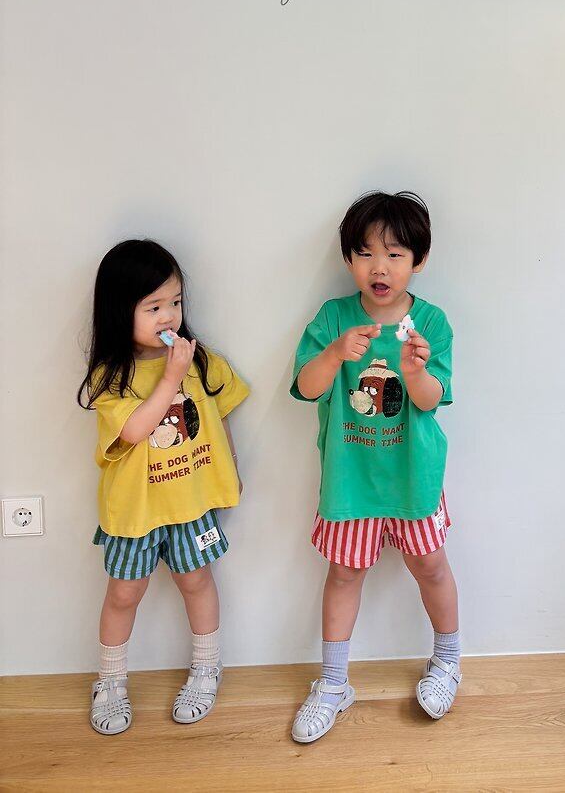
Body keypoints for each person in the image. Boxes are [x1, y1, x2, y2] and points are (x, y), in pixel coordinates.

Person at [289, 190, 460, 743]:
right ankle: (333, 683)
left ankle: (447, 661)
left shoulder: (431, 322)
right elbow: (306, 388)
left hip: (414, 479)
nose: (378, 268)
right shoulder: (333, 318)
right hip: (351, 481)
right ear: (348, 259)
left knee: (431, 566)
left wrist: (414, 373)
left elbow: (432, 400)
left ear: (419, 260)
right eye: (364, 253)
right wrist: (334, 353)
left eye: (394, 254)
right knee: (343, 574)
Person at [77, 239, 249, 735]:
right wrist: (172, 376)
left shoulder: (201, 361)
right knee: (123, 593)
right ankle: (110, 681)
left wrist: (231, 468)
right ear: (119, 311)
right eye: (153, 306)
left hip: (191, 505)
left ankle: (207, 667)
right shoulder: (112, 376)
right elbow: (134, 430)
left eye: (175, 301)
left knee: (197, 582)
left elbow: (220, 413)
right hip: (136, 512)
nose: (169, 315)